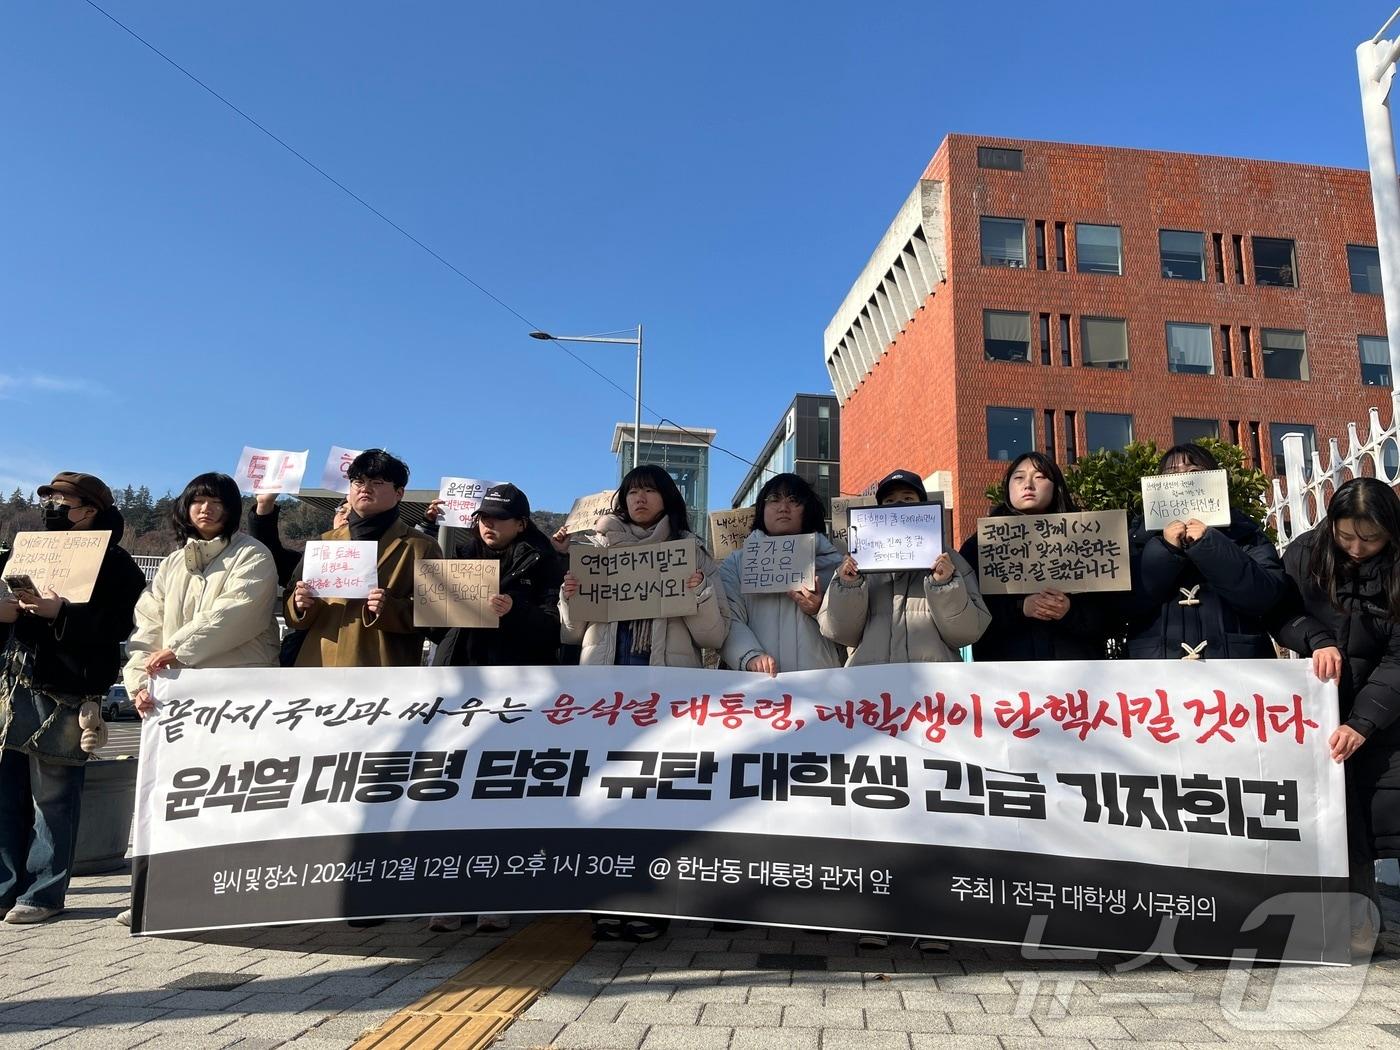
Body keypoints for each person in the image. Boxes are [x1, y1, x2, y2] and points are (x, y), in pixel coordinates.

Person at [820, 468, 990, 952]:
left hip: (933, 705)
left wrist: (944, 583)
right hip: (869, 704)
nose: (899, 508)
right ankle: (875, 912)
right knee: (873, 805)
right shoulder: (857, 563)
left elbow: (968, 632)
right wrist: (849, 584)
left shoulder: (950, 561)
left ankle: (931, 918)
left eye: (909, 500)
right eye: (890, 501)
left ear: (925, 509)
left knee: (932, 804)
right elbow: (837, 631)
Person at [560, 464, 728, 941]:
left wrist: (697, 594)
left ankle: (650, 900)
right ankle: (605, 897)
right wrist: (570, 598)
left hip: (666, 697)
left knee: (656, 800)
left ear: (667, 499)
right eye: (632, 491)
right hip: (604, 697)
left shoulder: (691, 553)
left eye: (650, 491)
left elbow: (714, 635)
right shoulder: (593, 553)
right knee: (604, 799)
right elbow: (571, 634)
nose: (639, 499)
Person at [119, 471, 281, 926]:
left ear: (232, 508)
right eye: (197, 501)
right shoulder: (172, 564)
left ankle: (236, 888)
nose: (205, 509)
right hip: (180, 698)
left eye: (215, 502)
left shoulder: (252, 554)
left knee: (238, 790)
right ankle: (163, 889)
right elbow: (146, 628)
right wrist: (138, 681)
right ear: (185, 508)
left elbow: (239, 614)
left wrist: (178, 649)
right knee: (180, 795)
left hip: (237, 694)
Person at [0, 472, 145, 924]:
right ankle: (4, 887)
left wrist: (62, 613)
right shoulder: (29, 551)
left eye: (66, 502)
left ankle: (43, 892)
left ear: (93, 509)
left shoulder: (118, 564)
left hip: (66, 686)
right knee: (6, 791)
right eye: (53, 501)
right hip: (14, 679)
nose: (56, 510)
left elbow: (122, 626)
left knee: (55, 792)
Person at [421, 483, 564, 934]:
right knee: (450, 792)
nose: (488, 525)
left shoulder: (545, 564)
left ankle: (496, 895)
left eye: (499, 518)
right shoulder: (457, 560)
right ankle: (448, 894)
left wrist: (515, 610)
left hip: (512, 696)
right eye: (483, 517)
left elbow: (559, 631)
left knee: (501, 796)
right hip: (456, 689)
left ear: (521, 523)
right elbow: (432, 631)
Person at [1274, 477, 1400, 956]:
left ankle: (1368, 923)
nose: (1357, 548)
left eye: (1370, 539)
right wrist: (1313, 638)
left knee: (1378, 815)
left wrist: (1364, 722)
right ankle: (1350, 924)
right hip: (1317, 705)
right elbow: (1278, 610)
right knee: (1334, 820)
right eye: (1346, 536)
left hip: (1383, 711)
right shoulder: (1307, 552)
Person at [1123, 443, 1286, 660]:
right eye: (1172, 474)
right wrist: (1165, 549)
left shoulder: (1244, 532)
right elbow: (1120, 606)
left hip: (1236, 665)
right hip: (1157, 669)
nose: (1182, 480)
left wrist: (1210, 544)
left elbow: (1266, 596)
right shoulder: (1138, 538)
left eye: (1193, 472)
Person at [285, 449, 441, 669]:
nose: (365, 488)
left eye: (377, 482)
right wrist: (298, 605)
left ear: (399, 492)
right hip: (318, 666)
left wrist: (391, 609)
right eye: (358, 482)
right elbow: (290, 602)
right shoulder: (323, 543)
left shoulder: (422, 546)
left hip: (383, 673)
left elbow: (437, 617)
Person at [959, 452, 1107, 661]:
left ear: (1056, 486)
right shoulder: (981, 544)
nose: (1028, 484)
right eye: (1018, 478)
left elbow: (1111, 611)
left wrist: (1070, 611)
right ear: (1007, 487)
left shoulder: (1088, 538)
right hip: (1006, 673)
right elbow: (966, 610)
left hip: (1074, 674)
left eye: (1039, 477)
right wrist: (1020, 608)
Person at [719, 472, 845, 674]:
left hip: (820, 685)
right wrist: (749, 656)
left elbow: (851, 629)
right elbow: (728, 618)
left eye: (794, 500)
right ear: (762, 509)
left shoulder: (834, 563)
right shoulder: (736, 564)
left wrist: (819, 609)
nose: (783, 507)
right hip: (755, 687)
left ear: (808, 509)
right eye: (774, 499)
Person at [247, 493, 349, 667]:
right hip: (308, 656)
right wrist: (265, 505)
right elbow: (269, 554)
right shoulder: (311, 560)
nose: (345, 517)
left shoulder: (385, 562)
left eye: (354, 513)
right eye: (342, 511)